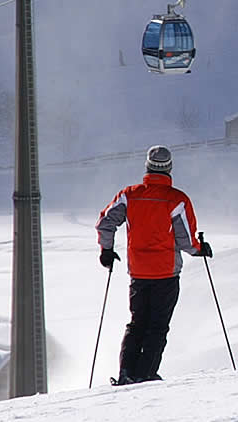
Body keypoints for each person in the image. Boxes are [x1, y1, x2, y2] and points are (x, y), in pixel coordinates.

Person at [96, 145, 211, 386]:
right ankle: (146, 374)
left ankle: (126, 372)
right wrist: (200, 249)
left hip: (138, 271)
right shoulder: (177, 200)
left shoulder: (129, 194)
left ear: (147, 166)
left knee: (137, 323)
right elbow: (186, 239)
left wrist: (106, 250)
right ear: (169, 168)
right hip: (166, 272)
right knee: (157, 326)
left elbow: (106, 222)